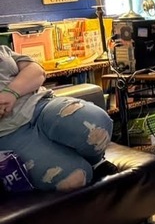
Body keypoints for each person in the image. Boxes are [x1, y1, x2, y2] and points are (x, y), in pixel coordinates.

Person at [0, 45, 113, 191]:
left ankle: (96, 162)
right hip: (9, 134)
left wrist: (11, 92)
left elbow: (37, 72)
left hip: (41, 105)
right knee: (74, 179)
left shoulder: (3, 49)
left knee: (98, 127)